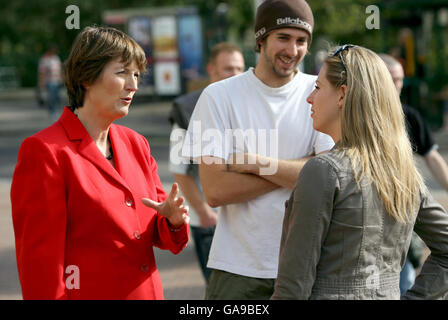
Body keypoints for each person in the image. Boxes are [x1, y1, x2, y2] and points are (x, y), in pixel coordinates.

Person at [11, 26, 190, 300]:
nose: (134, 85)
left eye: (137, 75)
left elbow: (156, 234)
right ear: (86, 77)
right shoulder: (44, 152)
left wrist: (173, 220)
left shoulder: (137, 144)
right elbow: (41, 268)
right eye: (122, 72)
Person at [182, 0, 334, 299]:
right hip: (238, 269)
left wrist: (255, 163)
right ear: (260, 39)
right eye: (283, 38)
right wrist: (299, 170)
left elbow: (330, 177)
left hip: (309, 265)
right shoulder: (218, 96)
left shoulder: (320, 93)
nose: (292, 50)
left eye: (301, 40)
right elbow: (215, 191)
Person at [271, 45, 448, 300]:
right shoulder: (402, 173)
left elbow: (292, 288)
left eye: (318, 87)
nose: (309, 97)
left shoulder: (323, 171)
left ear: (342, 95)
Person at [168, 42, 245, 282]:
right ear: (211, 69)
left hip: (245, 221)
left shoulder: (248, 106)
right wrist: (203, 212)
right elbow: (179, 169)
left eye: (240, 69)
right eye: (228, 69)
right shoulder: (187, 109)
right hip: (209, 221)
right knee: (218, 291)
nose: (235, 75)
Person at [380, 53, 448, 294]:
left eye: (399, 80)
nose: (396, 85)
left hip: (400, 210)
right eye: (390, 78)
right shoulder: (358, 117)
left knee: (404, 274)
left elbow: (432, 157)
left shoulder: (409, 116)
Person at [38, 44, 63, 120]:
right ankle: (52, 111)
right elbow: (41, 72)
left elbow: (59, 69)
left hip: (57, 81)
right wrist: (41, 82)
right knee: (51, 97)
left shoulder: (56, 58)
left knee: (57, 97)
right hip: (49, 81)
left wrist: (61, 78)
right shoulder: (45, 59)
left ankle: (53, 110)